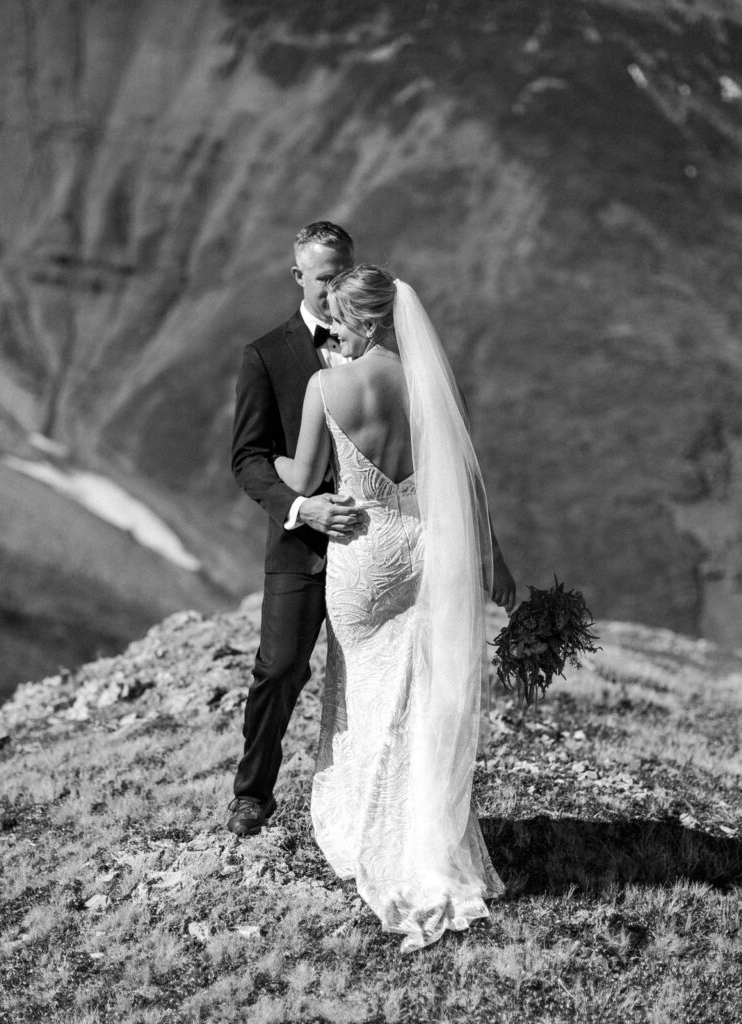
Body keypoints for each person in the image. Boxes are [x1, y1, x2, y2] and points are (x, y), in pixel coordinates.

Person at [273, 263, 517, 951]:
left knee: (359, 694)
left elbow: (301, 473)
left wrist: (262, 464)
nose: (334, 330)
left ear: (369, 320)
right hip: (425, 549)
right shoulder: (425, 384)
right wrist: (496, 562)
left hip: (364, 553)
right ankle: (426, 838)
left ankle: (364, 830)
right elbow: (464, 479)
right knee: (418, 696)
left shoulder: (327, 386)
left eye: (341, 319)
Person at [227, 221, 366, 838]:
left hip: (374, 542)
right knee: (280, 668)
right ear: (297, 277)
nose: (336, 289)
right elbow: (248, 459)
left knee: (374, 676)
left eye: (345, 275)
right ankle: (252, 793)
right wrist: (301, 508)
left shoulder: (380, 344)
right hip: (300, 543)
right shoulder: (265, 355)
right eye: (324, 277)